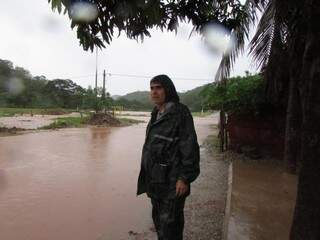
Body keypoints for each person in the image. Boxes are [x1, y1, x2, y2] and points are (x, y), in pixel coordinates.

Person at [137, 74, 200, 240]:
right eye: (151, 88)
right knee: (159, 222)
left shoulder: (180, 112)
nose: (154, 92)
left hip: (173, 182)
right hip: (156, 180)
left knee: (170, 226)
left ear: (168, 89)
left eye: (158, 88)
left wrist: (184, 178)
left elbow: (190, 147)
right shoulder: (156, 113)